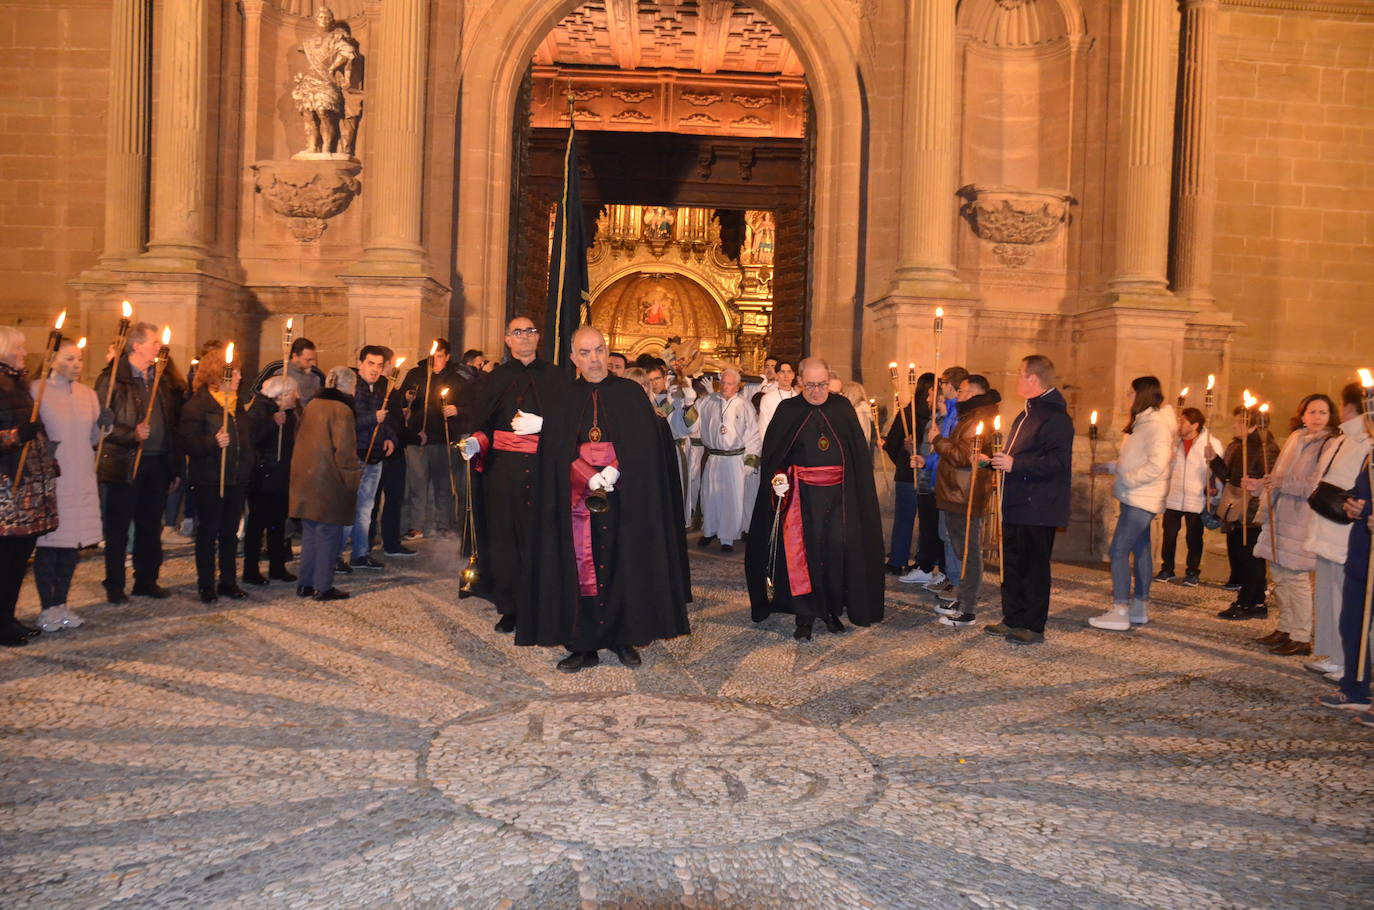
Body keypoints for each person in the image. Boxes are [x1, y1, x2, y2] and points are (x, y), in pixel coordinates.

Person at [518, 326, 690, 672]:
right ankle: (583, 644)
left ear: (607, 351)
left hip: (623, 496)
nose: (593, 359)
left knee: (623, 561)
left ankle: (622, 637)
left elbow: (643, 444)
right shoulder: (563, 396)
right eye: (585, 352)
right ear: (572, 358)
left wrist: (613, 469)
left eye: (598, 350)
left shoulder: (628, 393)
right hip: (574, 498)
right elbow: (555, 449)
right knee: (579, 567)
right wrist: (586, 473)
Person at [745, 357, 884, 640]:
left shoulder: (841, 407)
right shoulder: (788, 410)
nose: (818, 391)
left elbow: (856, 456)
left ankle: (831, 610)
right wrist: (779, 478)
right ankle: (804, 615)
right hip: (801, 498)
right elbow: (774, 457)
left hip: (838, 499)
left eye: (822, 385)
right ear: (799, 383)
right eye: (810, 385)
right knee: (802, 557)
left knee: (834, 555)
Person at [459, 316, 564, 633]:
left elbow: (572, 422)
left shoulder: (557, 376)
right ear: (507, 339)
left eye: (531, 331)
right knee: (505, 541)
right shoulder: (495, 378)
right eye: (518, 333)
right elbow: (485, 422)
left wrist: (546, 428)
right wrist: (478, 442)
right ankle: (511, 607)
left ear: (538, 337)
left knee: (541, 538)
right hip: (502, 474)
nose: (525, 337)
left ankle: (543, 603)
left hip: (544, 469)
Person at [987, 355, 1073, 645]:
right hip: (1017, 502)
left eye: (1020, 374)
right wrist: (992, 462)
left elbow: (1058, 462)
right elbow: (1018, 456)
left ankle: (1033, 625)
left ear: (1033, 379)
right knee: (1012, 562)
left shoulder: (1055, 416)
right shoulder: (1026, 413)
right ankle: (1013, 617)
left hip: (1039, 505)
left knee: (1034, 566)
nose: (1016, 379)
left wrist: (1015, 465)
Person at [95, 321, 182, 603]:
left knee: (149, 525)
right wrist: (131, 434)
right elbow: (100, 425)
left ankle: (146, 580)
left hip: (156, 462)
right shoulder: (113, 379)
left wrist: (173, 465)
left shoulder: (161, 377)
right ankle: (115, 584)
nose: (159, 347)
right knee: (118, 526)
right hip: (125, 461)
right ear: (137, 345)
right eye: (154, 342)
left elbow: (171, 423)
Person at [1251, 394, 1338, 656]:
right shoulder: (1295, 438)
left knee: (1296, 577)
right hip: (1280, 514)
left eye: (1322, 412)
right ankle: (1285, 628)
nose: (1316, 417)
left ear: (1330, 416)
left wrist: (1282, 484)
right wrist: (1260, 486)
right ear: (1302, 415)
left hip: (1302, 517)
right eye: (1312, 412)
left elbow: (1314, 484)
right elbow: (1278, 474)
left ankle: (1301, 637)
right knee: (1279, 575)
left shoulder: (1329, 444)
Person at [1087, 376, 1176, 631]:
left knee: (1118, 550)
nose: (1127, 397)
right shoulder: (1143, 424)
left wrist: (1128, 478)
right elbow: (1135, 461)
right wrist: (1111, 467)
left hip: (1141, 497)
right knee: (1141, 548)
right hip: (1136, 495)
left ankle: (1120, 608)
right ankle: (1139, 606)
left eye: (1130, 392)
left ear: (1142, 394)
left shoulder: (1155, 426)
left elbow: (1158, 465)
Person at [33, 338, 103, 632]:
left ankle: (61, 602)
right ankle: (46, 607)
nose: (77, 365)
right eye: (70, 359)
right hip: (53, 479)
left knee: (71, 546)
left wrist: (103, 426)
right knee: (50, 544)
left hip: (81, 477)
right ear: (52, 359)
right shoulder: (37, 392)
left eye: (80, 359)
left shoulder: (88, 394)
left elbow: (92, 440)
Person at [1304, 384, 1373, 679]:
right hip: (1328, 525)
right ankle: (1334, 654)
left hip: (1344, 529)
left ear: (1348, 406)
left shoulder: (1364, 440)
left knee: (1344, 599)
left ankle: (1349, 661)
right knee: (1328, 596)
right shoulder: (1344, 437)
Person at [179, 346, 253, 604]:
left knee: (230, 533)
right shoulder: (198, 405)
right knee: (208, 532)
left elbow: (244, 441)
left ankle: (228, 581)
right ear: (221, 376)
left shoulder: (237, 406)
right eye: (237, 374)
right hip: (210, 479)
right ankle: (206, 584)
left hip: (234, 478)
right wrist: (211, 442)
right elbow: (188, 442)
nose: (241, 378)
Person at [0, 326, 59, 646]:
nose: (24, 353)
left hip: (28, 485)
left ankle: (8, 617)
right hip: (7, 486)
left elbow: (36, 430)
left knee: (19, 557)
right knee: (5, 557)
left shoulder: (19, 384)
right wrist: (12, 437)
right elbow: (14, 433)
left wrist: (48, 460)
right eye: (19, 348)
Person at [928, 374, 1001, 627]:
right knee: (962, 549)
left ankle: (968, 609)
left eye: (961, 391)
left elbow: (962, 456)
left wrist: (937, 440)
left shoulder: (978, 418)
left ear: (972, 393)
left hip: (965, 492)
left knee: (968, 551)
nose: (957, 395)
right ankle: (963, 599)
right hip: (957, 490)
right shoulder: (970, 415)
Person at [290, 366, 361, 601]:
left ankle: (305, 583)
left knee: (310, 533)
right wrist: (352, 478)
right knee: (329, 534)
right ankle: (323, 586)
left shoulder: (312, 405)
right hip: (328, 480)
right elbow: (345, 451)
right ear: (348, 386)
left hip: (306, 477)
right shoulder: (342, 410)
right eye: (354, 385)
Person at [1316, 460, 1373, 718]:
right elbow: (1361, 493)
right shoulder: (1370, 460)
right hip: (1361, 555)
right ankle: (1354, 688)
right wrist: (1351, 505)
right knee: (1351, 625)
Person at [1211, 406, 1279, 621]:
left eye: (1237, 421)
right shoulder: (1241, 446)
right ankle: (1257, 602)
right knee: (1242, 556)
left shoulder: (1265, 447)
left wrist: (1255, 484)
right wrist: (1213, 460)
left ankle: (1246, 602)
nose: (1233, 425)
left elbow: (1270, 479)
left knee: (1251, 558)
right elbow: (1231, 479)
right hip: (1236, 509)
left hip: (1252, 512)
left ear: (1249, 423)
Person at [400, 339, 468, 539]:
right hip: (417, 439)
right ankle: (416, 525)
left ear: (447, 357)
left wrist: (457, 410)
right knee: (417, 484)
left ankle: (443, 524)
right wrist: (407, 397)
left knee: (443, 484)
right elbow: (402, 401)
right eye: (433, 356)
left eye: (440, 356)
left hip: (443, 437)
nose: (436, 361)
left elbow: (470, 407)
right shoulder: (416, 374)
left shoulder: (457, 379)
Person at [1156, 407, 1225, 586]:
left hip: (1196, 498)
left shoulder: (1210, 443)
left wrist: (1215, 491)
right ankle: (1167, 568)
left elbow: (1218, 469)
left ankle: (1193, 571)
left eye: (1183, 421)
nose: (1179, 424)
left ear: (1194, 425)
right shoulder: (1174, 442)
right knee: (1169, 535)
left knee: (1194, 537)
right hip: (1174, 496)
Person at [344, 345, 397, 571]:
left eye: (379, 365)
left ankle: (360, 553)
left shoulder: (378, 391)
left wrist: (390, 438)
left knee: (366, 509)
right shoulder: (353, 391)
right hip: (357, 455)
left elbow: (384, 421)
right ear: (360, 364)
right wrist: (372, 418)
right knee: (350, 508)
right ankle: (337, 555)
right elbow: (349, 424)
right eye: (370, 364)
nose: (375, 369)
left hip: (375, 456)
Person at [241, 375, 298, 586]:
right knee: (257, 525)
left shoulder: (289, 413)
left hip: (280, 476)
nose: (297, 396)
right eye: (293, 393)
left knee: (277, 524)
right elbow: (249, 436)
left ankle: (277, 566)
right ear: (281, 396)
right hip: (262, 476)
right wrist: (272, 423)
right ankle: (251, 569)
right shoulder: (259, 410)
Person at [697, 366, 761, 552]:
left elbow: (754, 437)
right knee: (710, 495)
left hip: (735, 460)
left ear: (738, 386)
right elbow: (691, 420)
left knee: (732, 498)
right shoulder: (709, 400)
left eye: (730, 384)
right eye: (723, 382)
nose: (725, 386)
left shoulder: (744, 405)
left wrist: (749, 464)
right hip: (714, 458)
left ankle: (728, 538)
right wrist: (687, 400)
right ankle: (709, 531)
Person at [928, 366, 968, 597]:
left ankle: (958, 580)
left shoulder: (959, 414)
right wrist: (927, 463)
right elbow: (940, 450)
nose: (940, 388)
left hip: (954, 483)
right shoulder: (950, 412)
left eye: (942, 383)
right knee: (945, 533)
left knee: (953, 534)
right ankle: (951, 576)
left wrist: (937, 439)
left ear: (950, 385)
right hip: (942, 480)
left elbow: (952, 449)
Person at [250, 336, 324, 409]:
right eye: (308, 360)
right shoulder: (275, 368)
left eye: (314, 359)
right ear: (295, 356)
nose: (312, 364)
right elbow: (255, 391)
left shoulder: (316, 374)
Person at [756, 359, 797, 440]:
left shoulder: (799, 398)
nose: (786, 375)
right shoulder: (767, 399)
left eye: (789, 372)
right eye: (782, 372)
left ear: (793, 375)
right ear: (777, 376)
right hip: (775, 444)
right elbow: (763, 428)